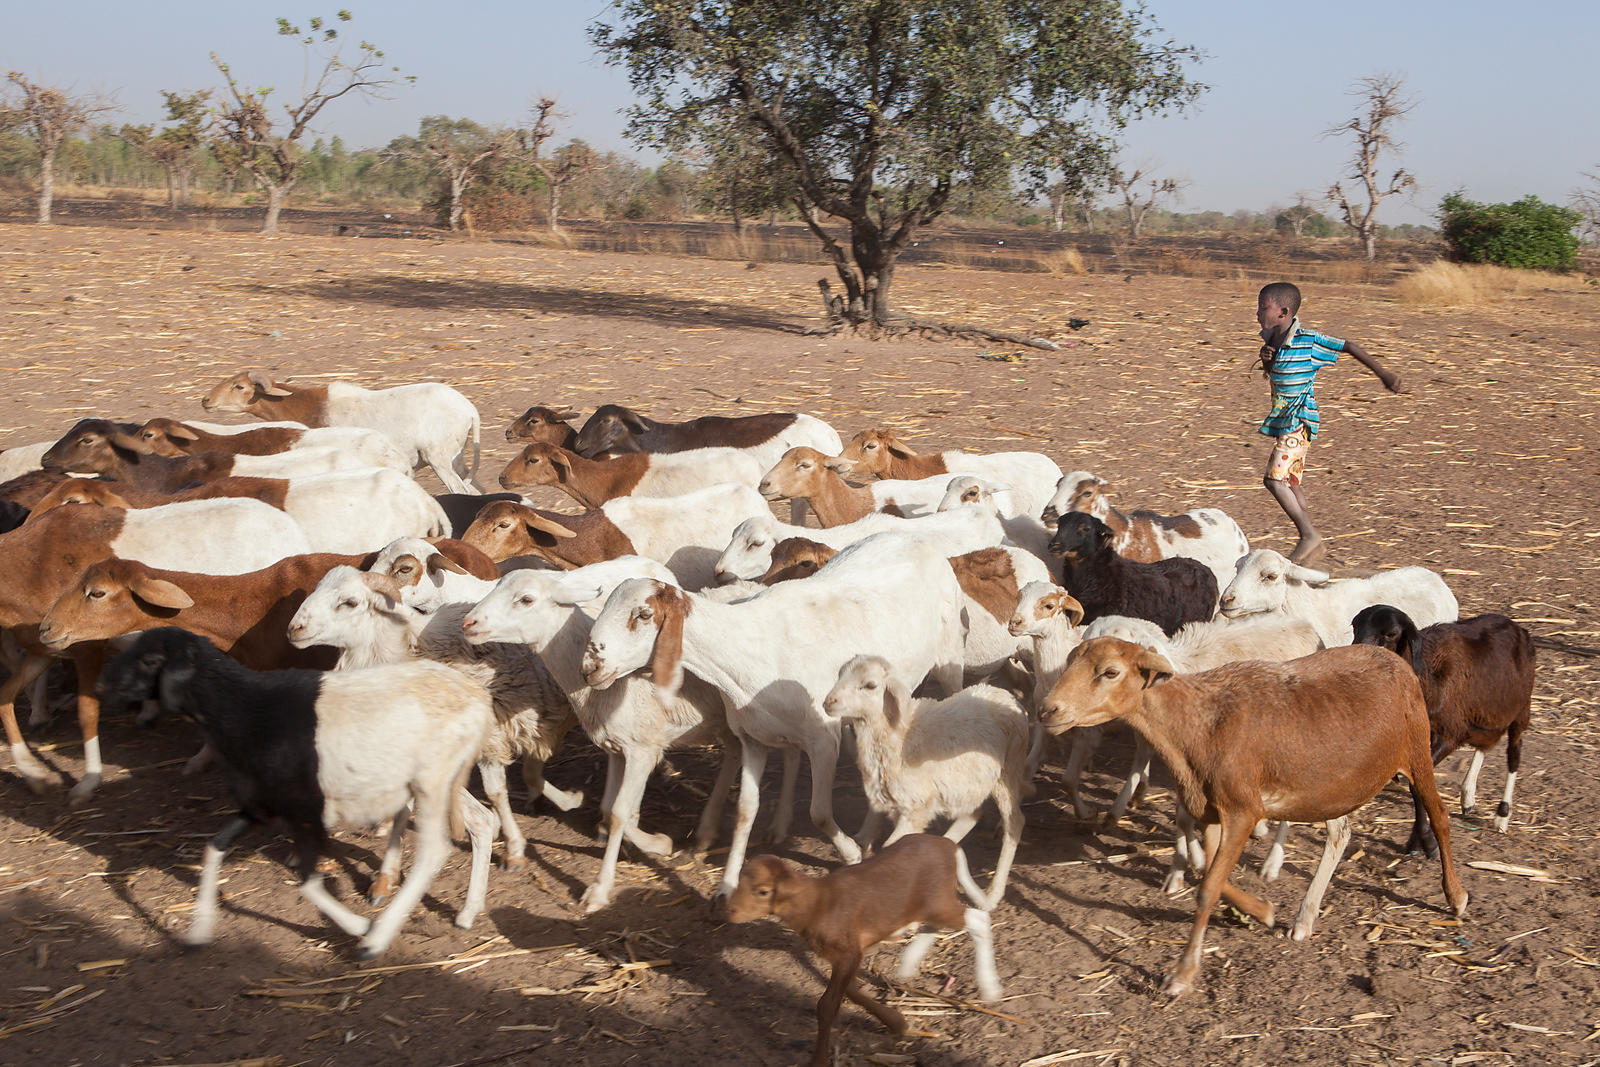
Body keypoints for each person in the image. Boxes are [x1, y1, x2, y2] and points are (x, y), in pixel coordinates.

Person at [1254, 281, 1404, 565]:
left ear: (1283, 312)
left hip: (1300, 421)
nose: (1258, 313)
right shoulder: (1273, 341)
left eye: (1263, 307)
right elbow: (1276, 372)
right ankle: (1313, 547)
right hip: (1286, 423)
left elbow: (1349, 346)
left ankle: (1309, 536)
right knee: (1292, 483)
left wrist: (1384, 374)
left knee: (1273, 480)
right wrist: (1267, 361)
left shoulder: (1309, 342)